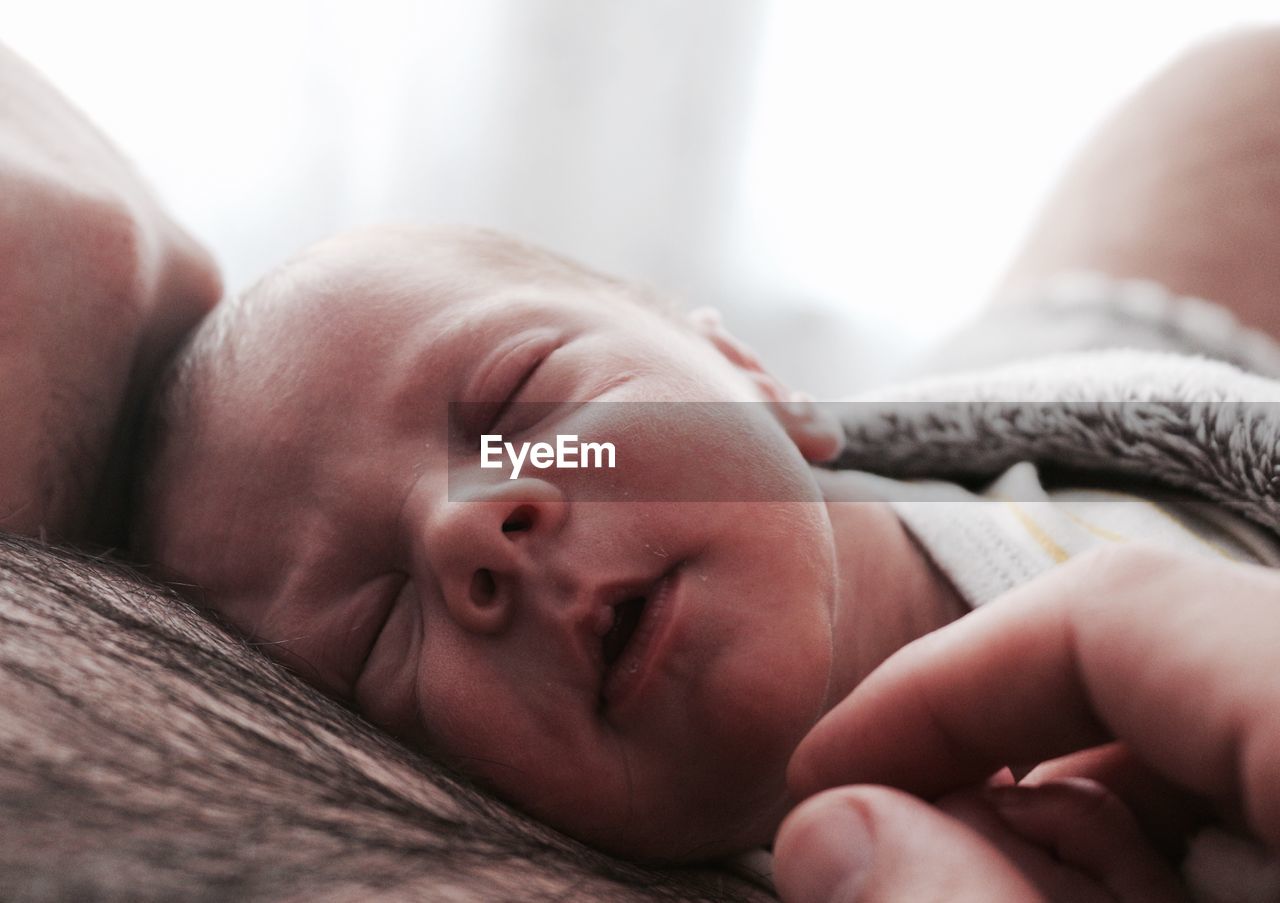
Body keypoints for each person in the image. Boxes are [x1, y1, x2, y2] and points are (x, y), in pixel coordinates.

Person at [128, 33, 1280, 890]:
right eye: (376, 634)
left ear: (748, 368)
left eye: (517, 408)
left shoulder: (1114, 469)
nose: (465, 525)